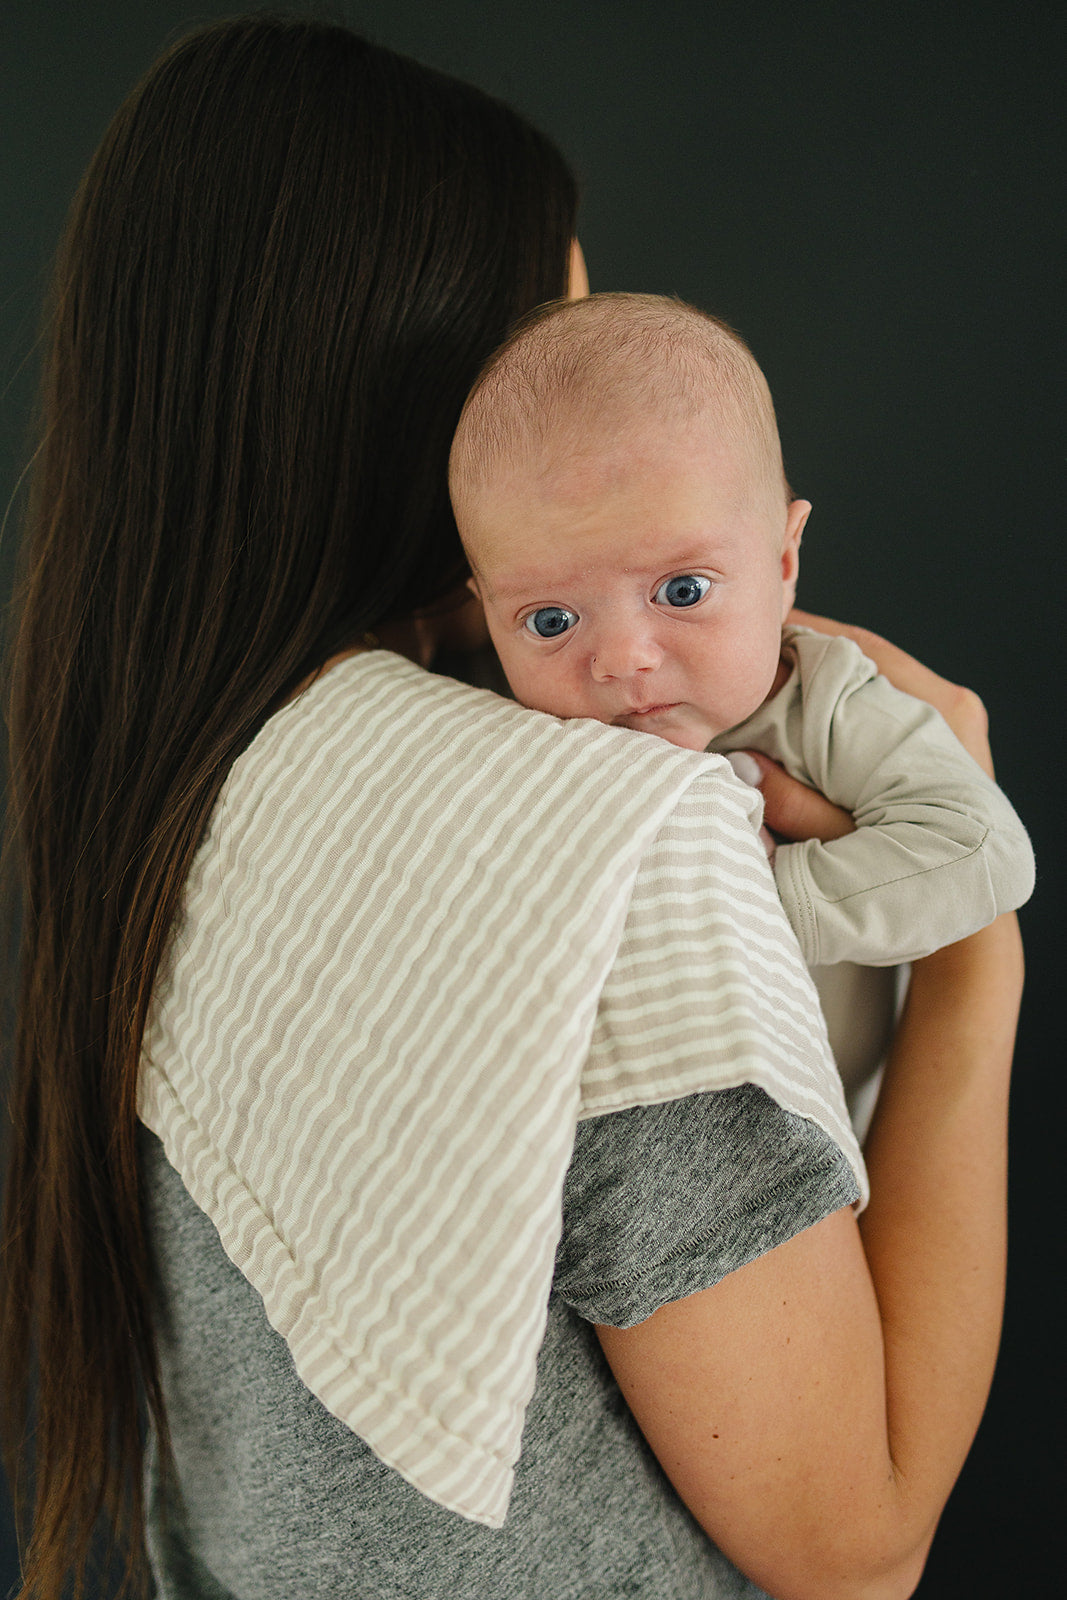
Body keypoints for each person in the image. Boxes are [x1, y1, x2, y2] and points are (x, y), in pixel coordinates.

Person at [0, 15, 1024, 1600]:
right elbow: (856, 1546)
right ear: (428, 429)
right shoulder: (608, 848)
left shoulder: (172, 786)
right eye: (549, 343)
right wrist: (973, 953)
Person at [449, 289, 1034, 967]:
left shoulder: (827, 703)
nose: (623, 658)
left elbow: (982, 850)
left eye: (682, 590)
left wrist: (759, 905)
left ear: (783, 561)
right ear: (485, 609)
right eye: (550, 620)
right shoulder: (487, 722)